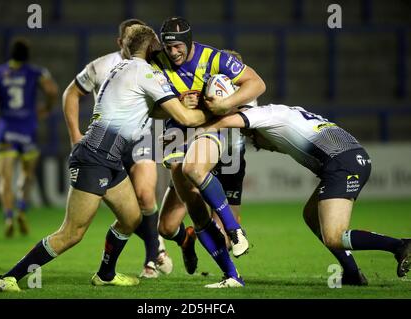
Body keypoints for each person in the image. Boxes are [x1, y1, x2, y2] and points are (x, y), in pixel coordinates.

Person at [0, 24, 211, 292]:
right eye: (160, 46)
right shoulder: (145, 72)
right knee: (72, 233)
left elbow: (148, 110)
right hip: (94, 159)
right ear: (152, 47)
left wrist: (179, 103)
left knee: (131, 218)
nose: (164, 50)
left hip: (109, 158)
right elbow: (185, 119)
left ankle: (106, 274)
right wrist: (214, 113)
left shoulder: (122, 68)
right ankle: (9, 277)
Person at [200, 104, 411, 284]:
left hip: (342, 163)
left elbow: (228, 121)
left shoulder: (265, 114)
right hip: (348, 158)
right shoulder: (289, 115)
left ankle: (400, 245)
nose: (255, 144)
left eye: (252, 138)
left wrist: (195, 129)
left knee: (334, 236)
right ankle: (353, 274)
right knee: (311, 215)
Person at [152, 16, 266, 288]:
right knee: (170, 225)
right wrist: (175, 104)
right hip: (175, 135)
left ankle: (235, 230)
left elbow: (257, 84)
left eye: (178, 46)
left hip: (209, 129)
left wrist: (225, 104)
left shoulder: (213, 58)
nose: (173, 52)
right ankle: (231, 275)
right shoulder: (156, 64)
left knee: (194, 169)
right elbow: (149, 108)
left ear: (189, 42)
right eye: (169, 47)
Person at [63, 18, 172, 279]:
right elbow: (71, 94)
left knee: (146, 195)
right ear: (121, 41)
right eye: (129, 36)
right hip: (106, 145)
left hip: (140, 138)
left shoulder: (152, 67)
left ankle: (151, 259)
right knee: (127, 212)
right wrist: (75, 134)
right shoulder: (101, 66)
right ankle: (167, 240)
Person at [0, 38, 58, 237]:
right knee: (27, 175)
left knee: (5, 179)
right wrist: (46, 108)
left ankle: (7, 216)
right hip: (28, 130)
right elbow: (52, 90)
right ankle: (21, 209)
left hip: (6, 131)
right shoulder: (36, 72)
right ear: (27, 55)